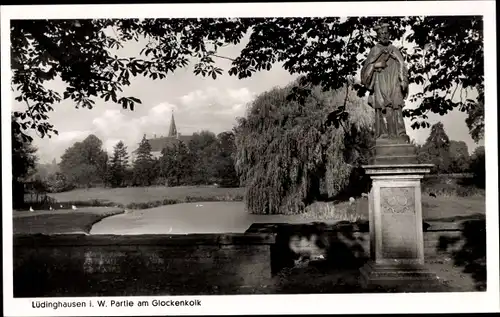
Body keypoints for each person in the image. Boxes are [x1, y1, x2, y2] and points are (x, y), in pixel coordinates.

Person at [361, 23, 410, 143]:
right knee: (382, 108)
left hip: (394, 83)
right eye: (381, 33)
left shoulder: (394, 50)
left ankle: (400, 134)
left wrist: (403, 80)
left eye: (386, 33)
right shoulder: (374, 50)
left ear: (389, 34)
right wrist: (376, 65)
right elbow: (365, 72)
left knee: (396, 107)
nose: (384, 35)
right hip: (380, 83)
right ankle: (383, 134)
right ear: (378, 35)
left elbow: (402, 66)